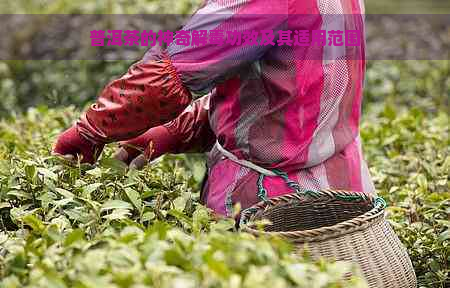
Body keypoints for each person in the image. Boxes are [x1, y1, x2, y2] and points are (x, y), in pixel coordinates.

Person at [53, 0, 375, 217]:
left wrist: (89, 130)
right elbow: (285, 94)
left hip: (273, 211)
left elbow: (166, 76)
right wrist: (175, 130)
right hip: (345, 194)